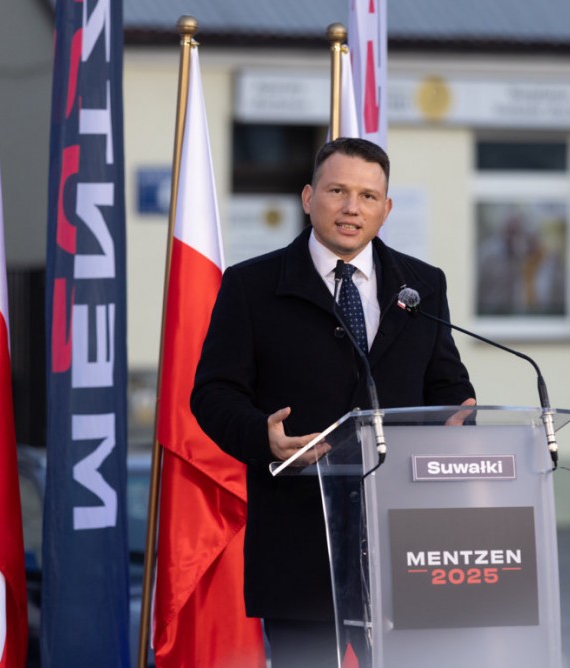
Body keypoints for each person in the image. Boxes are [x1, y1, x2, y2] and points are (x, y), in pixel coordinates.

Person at [190, 137, 476, 667]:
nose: (352, 208)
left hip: (403, 541)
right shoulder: (252, 286)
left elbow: (447, 387)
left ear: (386, 209)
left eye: (368, 196)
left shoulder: (421, 286)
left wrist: (458, 421)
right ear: (308, 197)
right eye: (337, 191)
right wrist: (261, 435)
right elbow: (213, 392)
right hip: (300, 540)